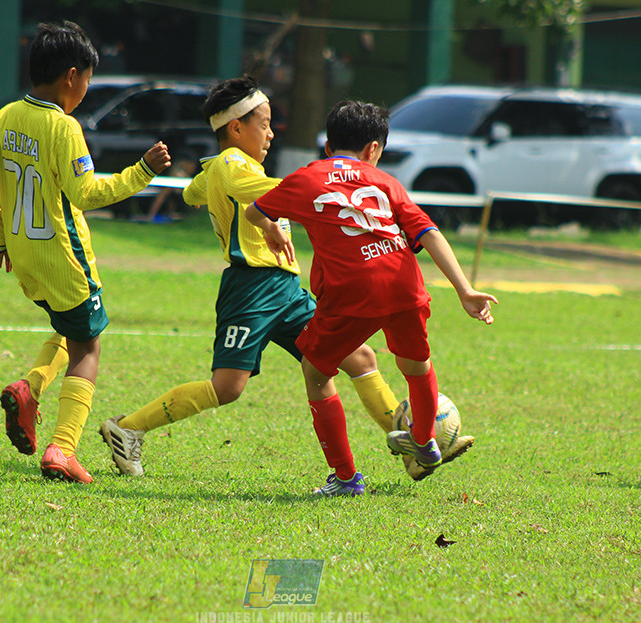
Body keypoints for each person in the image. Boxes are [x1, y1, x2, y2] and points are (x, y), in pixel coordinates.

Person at [99, 77, 434, 489]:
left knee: (359, 359)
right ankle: (128, 427)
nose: (272, 134)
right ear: (236, 128)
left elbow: (191, 194)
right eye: (265, 124)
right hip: (251, 289)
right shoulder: (231, 162)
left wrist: (218, 193)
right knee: (227, 387)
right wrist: (335, 189)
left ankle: (410, 450)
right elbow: (266, 189)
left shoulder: (229, 166)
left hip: (285, 289)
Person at [244, 100, 497, 496]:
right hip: (404, 285)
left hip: (352, 291)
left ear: (328, 146)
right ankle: (424, 441)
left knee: (316, 372)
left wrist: (272, 226)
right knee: (416, 366)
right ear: (373, 149)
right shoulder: (385, 181)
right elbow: (428, 233)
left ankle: (346, 478)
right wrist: (464, 289)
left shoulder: (306, 178)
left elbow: (253, 212)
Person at [0, 21, 171, 484]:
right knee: (88, 347)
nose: (86, 91)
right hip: (64, 257)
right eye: (88, 81)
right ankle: (63, 448)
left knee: (67, 327)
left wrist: (2, 235)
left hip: (25, 255)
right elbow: (87, 193)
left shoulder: (6, 117)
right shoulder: (63, 126)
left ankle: (29, 387)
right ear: (71, 76)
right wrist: (142, 171)